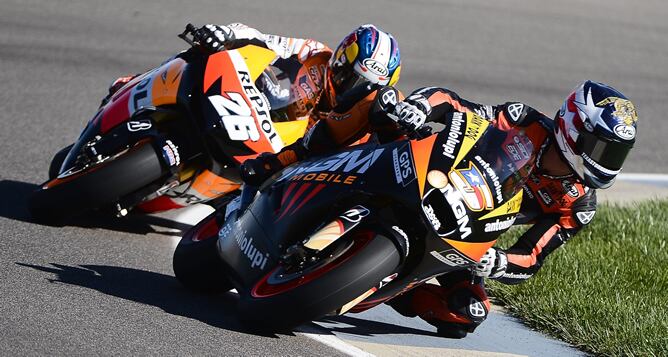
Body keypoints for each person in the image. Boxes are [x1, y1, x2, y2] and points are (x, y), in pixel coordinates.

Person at [383, 80, 638, 338]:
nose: (607, 161)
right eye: (603, 149)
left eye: (616, 154)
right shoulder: (524, 121)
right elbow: (454, 105)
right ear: (574, 130)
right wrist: (421, 106)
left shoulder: (578, 205)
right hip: (433, 177)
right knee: (385, 110)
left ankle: (387, 289)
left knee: (469, 311)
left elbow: (532, 257)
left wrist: (498, 262)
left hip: (464, 231)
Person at [101, 22, 402, 168]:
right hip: (242, 103)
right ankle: (141, 80)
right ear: (340, 58)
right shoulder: (314, 53)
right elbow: (262, 39)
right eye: (348, 75)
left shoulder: (359, 124)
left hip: (268, 152)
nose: (350, 87)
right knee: (202, 52)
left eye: (361, 86)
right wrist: (224, 33)